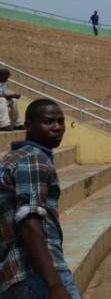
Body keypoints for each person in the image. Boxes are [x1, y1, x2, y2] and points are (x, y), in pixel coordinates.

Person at [0, 99, 82, 299]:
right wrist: (55, 285)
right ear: (29, 125)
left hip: (17, 274)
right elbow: (30, 222)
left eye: (61, 122)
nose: (57, 128)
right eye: (48, 122)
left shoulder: (15, 157)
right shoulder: (33, 159)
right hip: (35, 272)